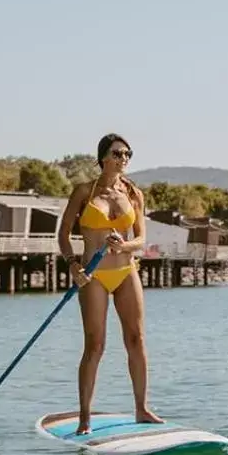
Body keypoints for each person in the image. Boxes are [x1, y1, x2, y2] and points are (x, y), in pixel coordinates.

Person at [58, 133, 162, 434]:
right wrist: (73, 264)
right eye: (118, 153)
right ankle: (85, 419)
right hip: (93, 276)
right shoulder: (84, 192)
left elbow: (141, 238)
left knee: (136, 339)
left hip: (126, 271)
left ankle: (142, 409)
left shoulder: (134, 194)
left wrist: (126, 247)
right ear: (103, 157)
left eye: (128, 154)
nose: (123, 159)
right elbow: (63, 235)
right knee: (95, 345)